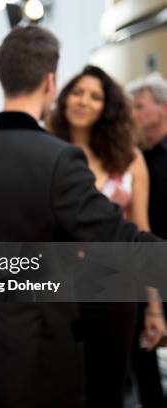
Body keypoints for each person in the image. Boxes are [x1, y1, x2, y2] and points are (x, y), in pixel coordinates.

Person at [0, 26, 161, 408]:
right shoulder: (58, 158)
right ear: (50, 81)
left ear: (2, 76)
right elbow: (119, 241)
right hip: (44, 360)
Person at [49, 65, 165, 408]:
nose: (84, 101)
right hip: (60, 294)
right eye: (78, 92)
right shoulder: (47, 153)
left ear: (107, 107)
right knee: (63, 390)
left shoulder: (129, 159)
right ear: (64, 97)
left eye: (95, 96)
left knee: (108, 391)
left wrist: (154, 309)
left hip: (116, 293)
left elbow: (141, 232)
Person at [127, 72, 167, 407]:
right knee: (145, 350)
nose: (135, 115)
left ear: (162, 107)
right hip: (145, 267)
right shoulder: (133, 157)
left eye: (140, 107)